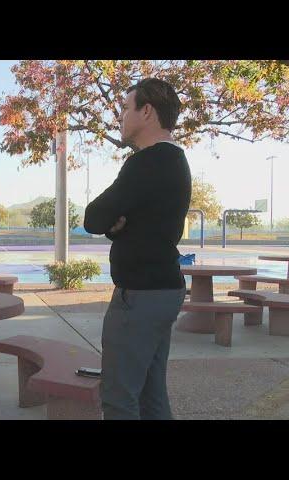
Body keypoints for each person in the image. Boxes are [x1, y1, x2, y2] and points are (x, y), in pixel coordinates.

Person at [83, 78, 191, 420]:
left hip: (140, 297)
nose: (121, 117)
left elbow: (94, 217)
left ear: (146, 112)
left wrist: (115, 224)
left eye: (126, 108)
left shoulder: (145, 163)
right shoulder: (174, 161)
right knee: (150, 394)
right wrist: (119, 227)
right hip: (163, 290)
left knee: (118, 397)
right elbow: (138, 225)